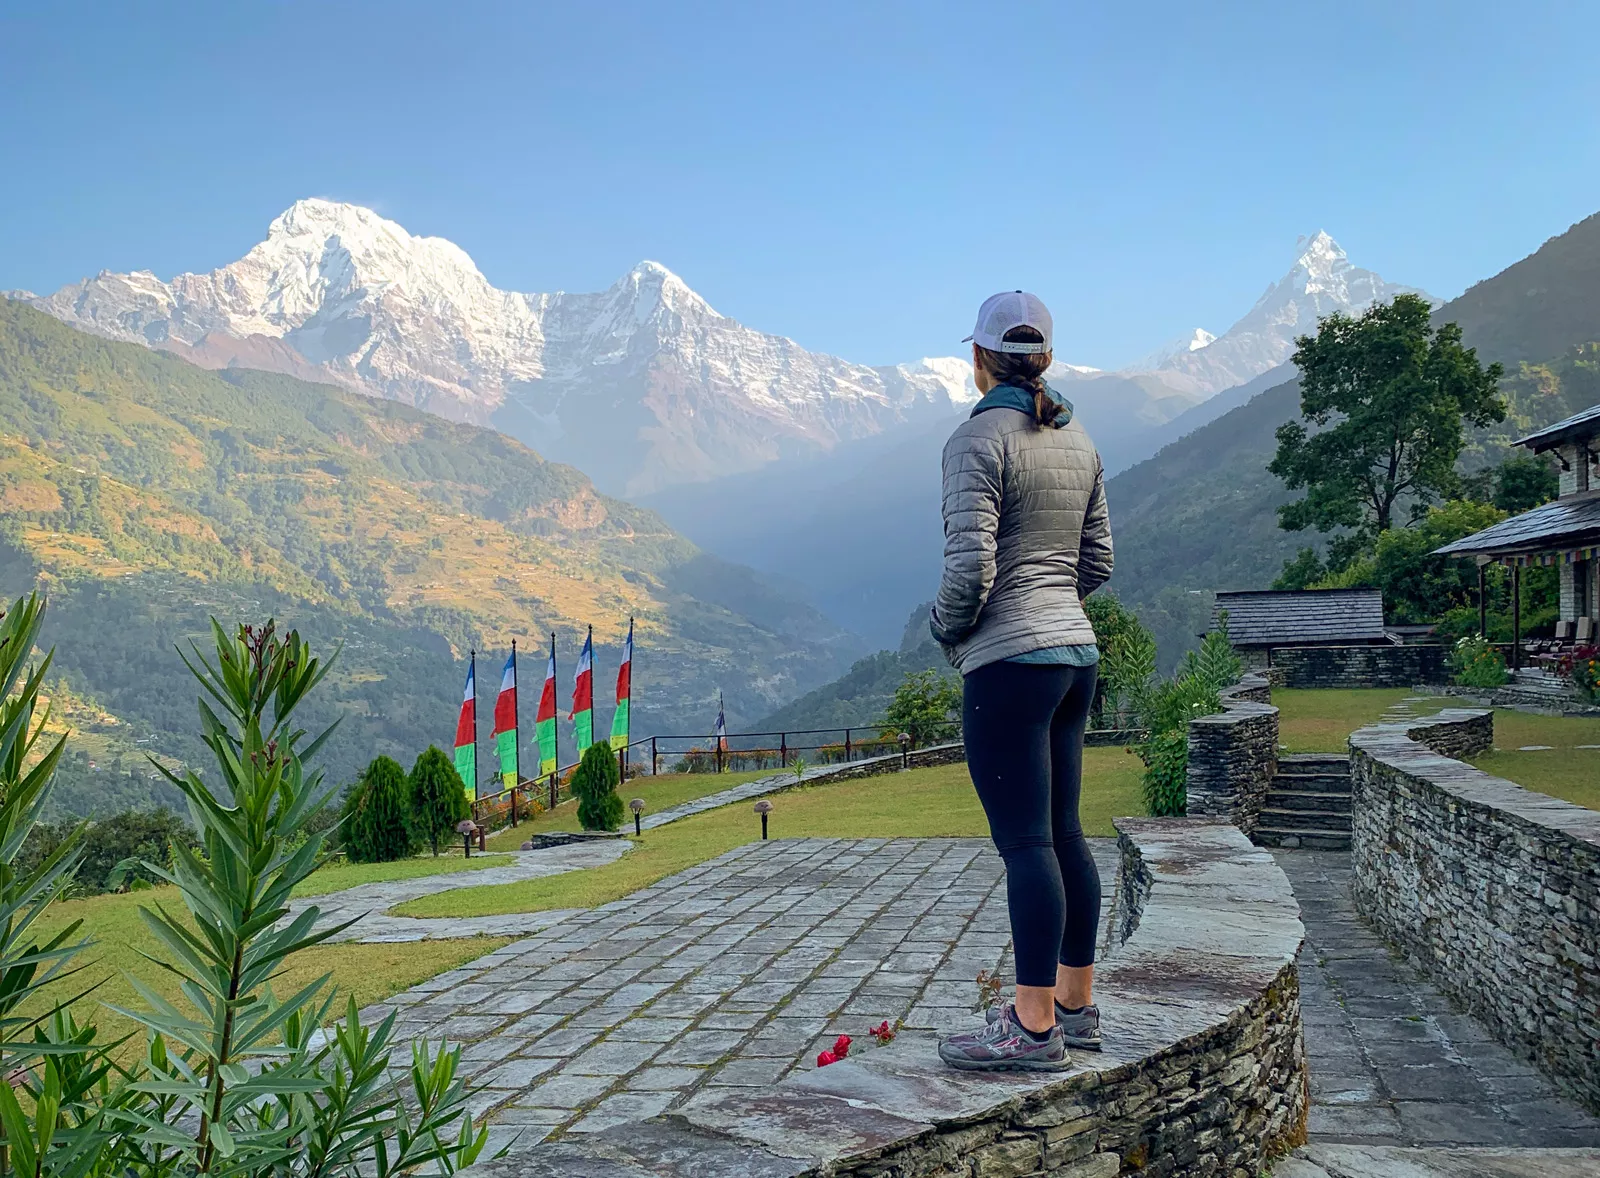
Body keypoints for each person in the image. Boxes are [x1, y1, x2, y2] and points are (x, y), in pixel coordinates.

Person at [931, 290, 1113, 1072]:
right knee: (1066, 833)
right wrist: (1056, 610)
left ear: (978, 361)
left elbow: (970, 569)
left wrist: (946, 628)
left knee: (1026, 842)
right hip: (1077, 658)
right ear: (1045, 359)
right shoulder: (1081, 443)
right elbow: (1097, 564)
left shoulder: (976, 442)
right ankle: (1076, 1004)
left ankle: (1031, 1027)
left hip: (1010, 663)